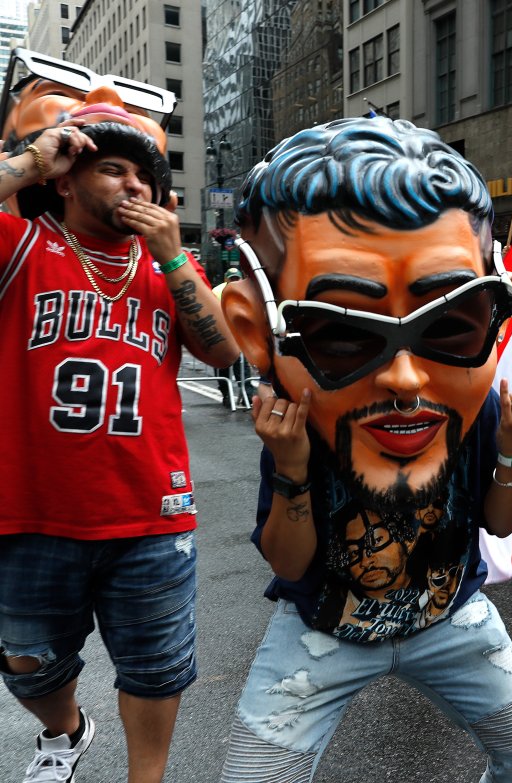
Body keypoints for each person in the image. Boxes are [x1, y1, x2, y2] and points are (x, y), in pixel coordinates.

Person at [216, 117, 512, 781]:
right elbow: (290, 559)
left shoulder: (472, 408)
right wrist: (289, 468)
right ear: (256, 331)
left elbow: (501, 521)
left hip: (450, 619)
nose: (404, 379)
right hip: (324, 632)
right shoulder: (304, 422)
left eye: (453, 327)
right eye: (342, 334)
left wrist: (511, 451)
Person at [0, 116, 238, 783]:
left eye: (146, 178)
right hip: (31, 510)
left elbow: (223, 353)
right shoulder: (21, 242)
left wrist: (171, 255)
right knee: (27, 658)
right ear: (67, 181)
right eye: (115, 169)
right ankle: (64, 731)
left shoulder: (169, 263)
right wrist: (29, 160)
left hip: (152, 511)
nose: (137, 185)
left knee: (157, 664)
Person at [213, 266, 253, 408]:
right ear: (226, 280)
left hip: (239, 332)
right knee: (223, 363)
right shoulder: (217, 291)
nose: (235, 281)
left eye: (237, 279)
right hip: (222, 332)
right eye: (232, 279)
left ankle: (247, 394)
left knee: (241, 364)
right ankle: (226, 394)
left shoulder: (247, 290)